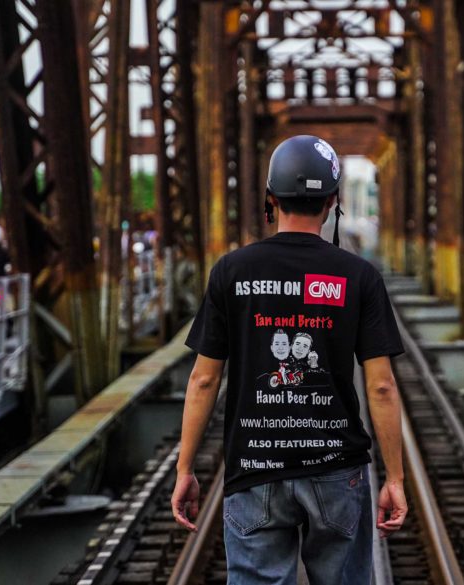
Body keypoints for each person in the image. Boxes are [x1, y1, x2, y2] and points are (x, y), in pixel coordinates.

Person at [171, 135, 408, 584]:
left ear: (271, 199)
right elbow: (380, 385)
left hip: (256, 468)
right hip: (336, 467)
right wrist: (394, 478)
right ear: (332, 202)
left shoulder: (231, 272)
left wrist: (186, 468)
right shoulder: (358, 276)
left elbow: (204, 380)